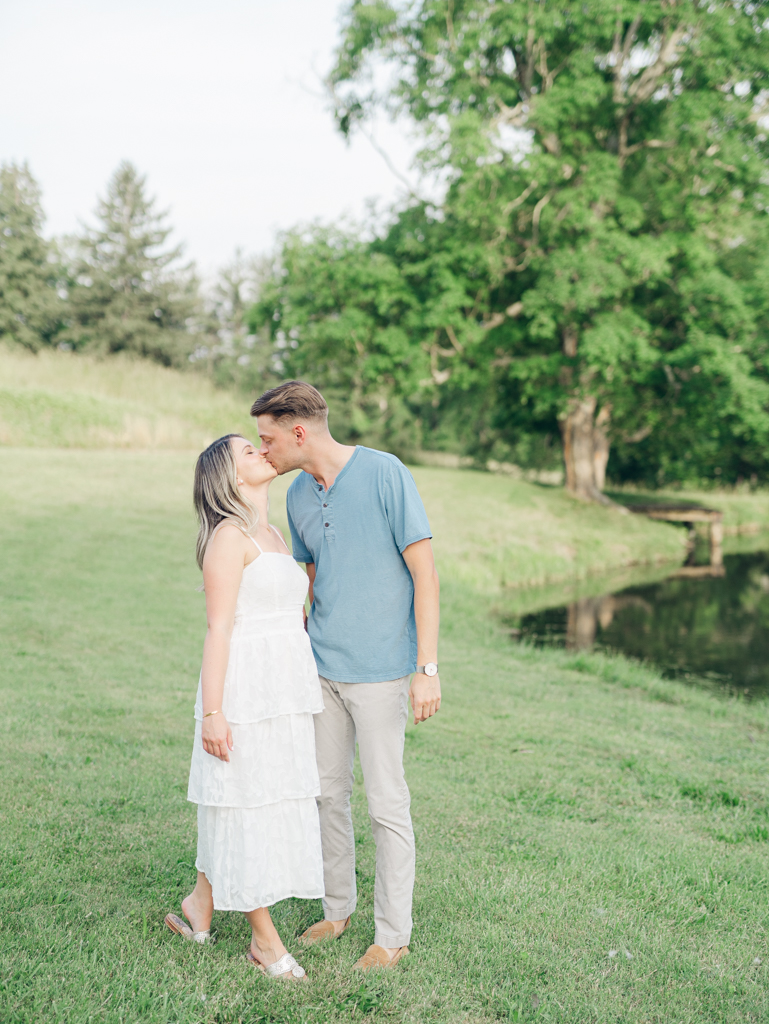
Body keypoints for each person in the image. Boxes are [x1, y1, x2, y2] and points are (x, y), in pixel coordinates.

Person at [252, 381, 441, 972]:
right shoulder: (299, 496)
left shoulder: (386, 473)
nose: (264, 452)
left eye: (268, 438)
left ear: (299, 432)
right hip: (322, 669)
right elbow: (307, 581)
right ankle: (338, 908)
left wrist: (426, 668)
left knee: (387, 804)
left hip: (383, 671)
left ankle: (393, 934)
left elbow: (425, 573)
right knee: (326, 794)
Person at [164, 433, 324, 981]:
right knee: (244, 805)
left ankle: (199, 904)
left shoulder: (274, 533)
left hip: (283, 690)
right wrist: (213, 712)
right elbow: (218, 629)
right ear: (230, 478)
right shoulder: (229, 539)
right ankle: (264, 939)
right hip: (244, 690)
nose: (261, 453)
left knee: (254, 800)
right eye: (246, 452)